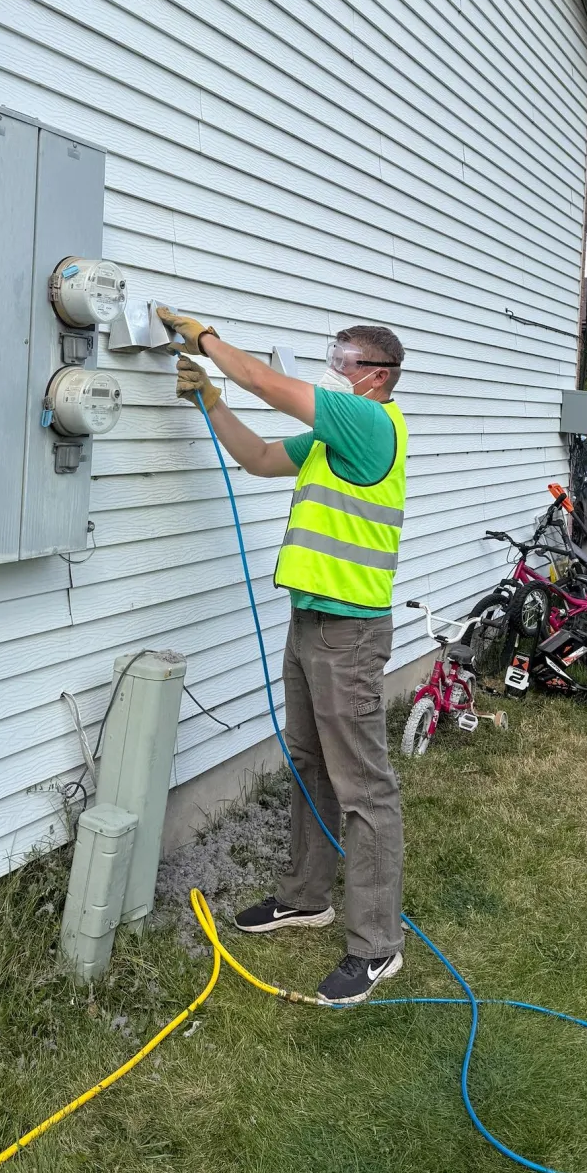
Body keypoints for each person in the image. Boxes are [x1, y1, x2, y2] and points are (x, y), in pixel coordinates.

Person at [156, 307, 408, 1005]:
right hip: (311, 622)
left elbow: (266, 381)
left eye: (344, 360)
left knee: (364, 785)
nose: (333, 368)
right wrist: (211, 402)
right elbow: (263, 457)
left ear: (375, 377)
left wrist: (204, 340)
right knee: (309, 760)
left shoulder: (370, 422)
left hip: (350, 632)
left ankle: (377, 944)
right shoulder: (332, 440)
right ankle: (306, 895)